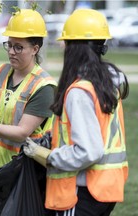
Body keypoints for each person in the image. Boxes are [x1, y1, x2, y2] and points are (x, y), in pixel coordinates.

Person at [24, 8, 129, 216]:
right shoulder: (106, 84)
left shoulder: (80, 92)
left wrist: (49, 155)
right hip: (105, 189)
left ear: (74, 48)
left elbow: (89, 151)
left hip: (81, 191)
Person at [0, 8, 57, 170]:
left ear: (35, 49)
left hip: (28, 170)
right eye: (9, 45)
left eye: (18, 47)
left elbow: (22, 132)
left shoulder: (44, 86)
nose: (11, 52)